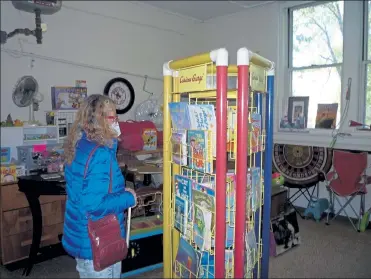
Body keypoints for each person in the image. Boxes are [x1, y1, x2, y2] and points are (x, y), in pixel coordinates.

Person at [62, 94, 136, 278]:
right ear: (99, 120)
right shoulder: (100, 153)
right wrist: (128, 198)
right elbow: (95, 205)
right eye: (113, 117)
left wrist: (118, 193)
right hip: (97, 239)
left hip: (82, 233)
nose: (117, 122)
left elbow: (87, 191)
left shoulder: (81, 143)